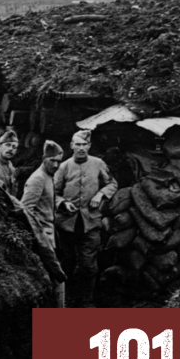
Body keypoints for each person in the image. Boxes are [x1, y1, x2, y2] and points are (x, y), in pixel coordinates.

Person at [54, 129, 117, 308]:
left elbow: (112, 183)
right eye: (77, 144)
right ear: (71, 145)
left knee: (89, 266)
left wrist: (101, 194)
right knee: (66, 262)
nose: (81, 148)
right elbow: (53, 192)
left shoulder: (98, 164)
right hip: (66, 223)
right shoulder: (64, 166)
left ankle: (86, 301)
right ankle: (66, 300)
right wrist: (63, 203)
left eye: (84, 144)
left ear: (89, 146)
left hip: (90, 222)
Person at [22, 140, 66, 308]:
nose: (55, 165)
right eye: (52, 161)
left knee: (57, 277)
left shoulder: (49, 176)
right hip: (42, 238)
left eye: (58, 161)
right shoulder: (37, 179)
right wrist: (38, 237)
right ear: (43, 159)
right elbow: (25, 209)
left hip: (50, 234)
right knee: (56, 278)